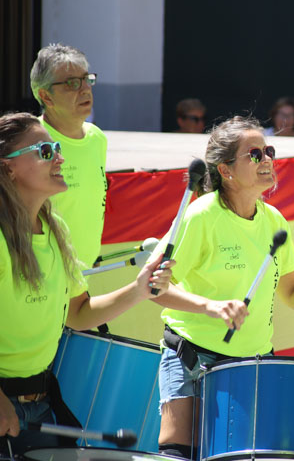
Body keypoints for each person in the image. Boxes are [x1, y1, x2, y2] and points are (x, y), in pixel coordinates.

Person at [150, 116, 294, 460]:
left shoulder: (274, 220)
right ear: (226, 170)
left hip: (253, 362)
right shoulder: (200, 216)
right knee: (178, 453)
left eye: (269, 151)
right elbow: (155, 287)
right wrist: (211, 307)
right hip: (191, 356)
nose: (267, 160)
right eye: (254, 154)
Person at [0, 112, 171, 456]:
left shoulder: (57, 229)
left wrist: (139, 289)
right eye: (45, 151)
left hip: (40, 403)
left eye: (58, 148)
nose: (60, 158)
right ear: (8, 168)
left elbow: (78, 313)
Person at [29, 43, 107, 267]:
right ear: (46, 96)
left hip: (84, 272)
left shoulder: (97, 138)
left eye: (86, 79)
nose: (85, 89)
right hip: (43, 272)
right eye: (72, 83)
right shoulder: (30, 143)